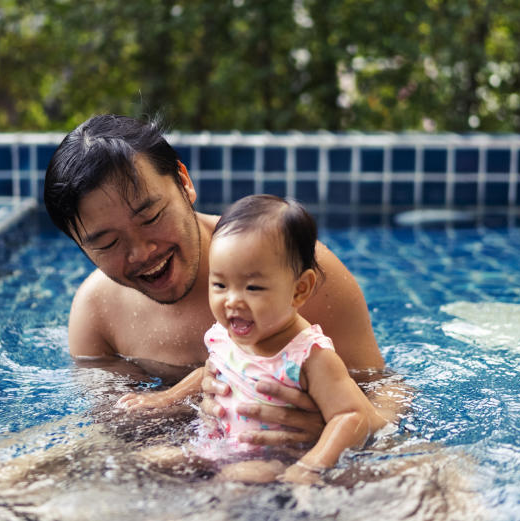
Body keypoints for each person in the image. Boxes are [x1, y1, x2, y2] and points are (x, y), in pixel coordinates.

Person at [43, 114, 405, 446]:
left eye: (151, 216)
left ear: (184, 183)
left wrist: (330, 433)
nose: (142, 251)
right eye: (108, 243)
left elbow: (387, 393)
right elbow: (118, 436)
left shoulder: (289, 272)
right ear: (81, 246)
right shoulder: (97, 314)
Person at [116, 194, 385, 484]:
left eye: (253, 287)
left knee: (234, 480)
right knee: (142, 462)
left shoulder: (308, 356)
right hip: (215, 446)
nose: (232, 301)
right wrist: (166, 399)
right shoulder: (225, 336)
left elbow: (351, 415)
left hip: (274, 458)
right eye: (220, 284)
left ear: (299, 290)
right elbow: (209, 373)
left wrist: (310, 465)